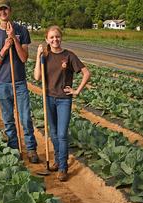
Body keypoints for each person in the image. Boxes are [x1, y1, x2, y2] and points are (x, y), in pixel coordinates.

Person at [34, 25, 90, 181]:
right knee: (53, 133)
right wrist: (38, 56)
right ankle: (58, 161)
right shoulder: (45, 55)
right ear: (47, 39)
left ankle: (63, 167)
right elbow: (37, 77)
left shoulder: (69, 56)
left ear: (61, 38)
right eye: (51, 37)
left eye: (57, 37)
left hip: (64, 100)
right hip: (49, 98)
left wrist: (76, 91)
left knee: (62, 134)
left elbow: (86, 73)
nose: (55, 40)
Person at [0, 0, 39, 163]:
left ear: (10, 10)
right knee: (8, 120)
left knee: (25, 118)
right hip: (3, 83)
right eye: (0, 9)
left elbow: (24, 58)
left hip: (19, 82)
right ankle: (14, 150)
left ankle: (31, 149)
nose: (3, 12)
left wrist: (14, 39)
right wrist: (5, 47)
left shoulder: (22, 30)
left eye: (5, 9)